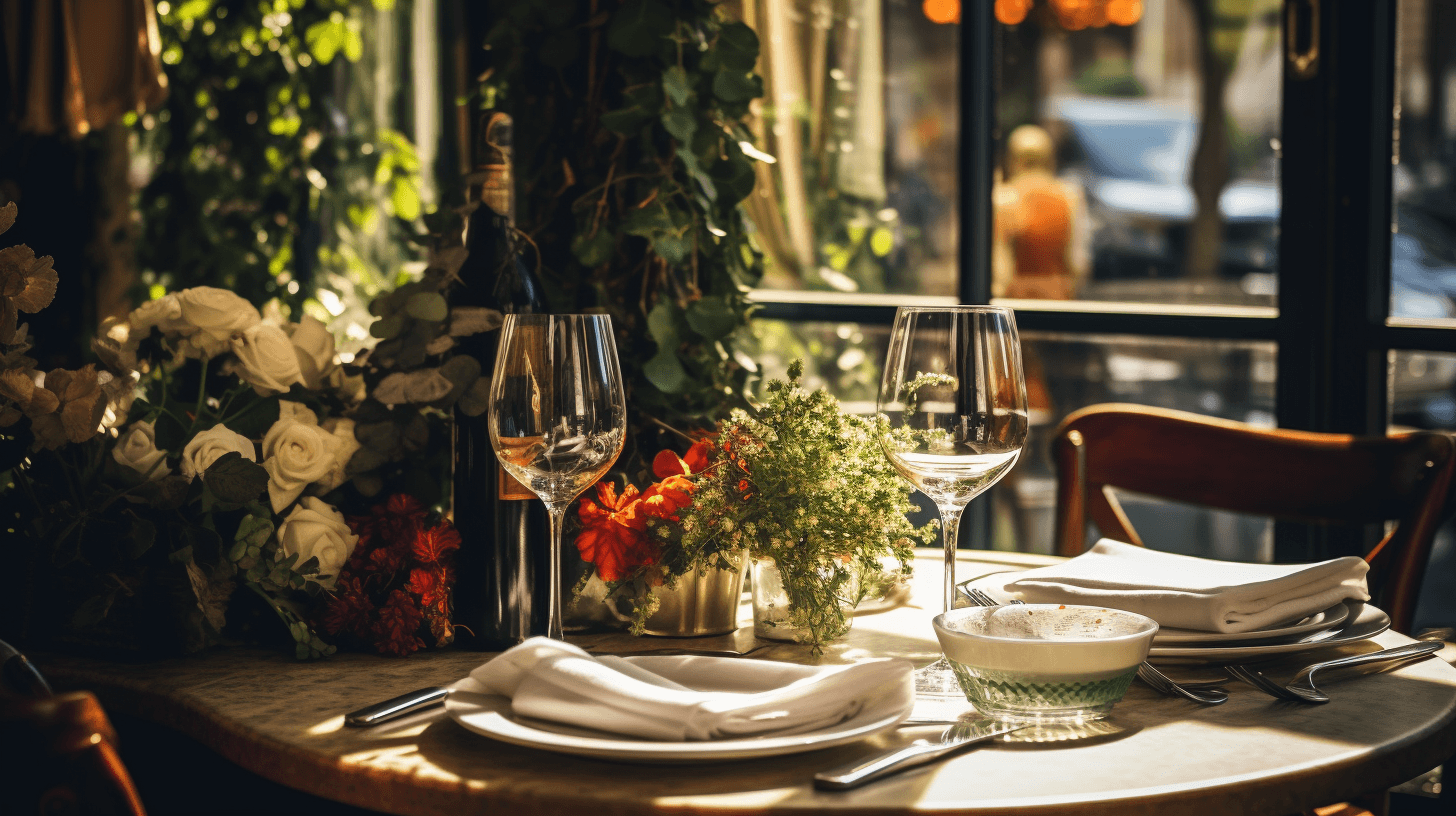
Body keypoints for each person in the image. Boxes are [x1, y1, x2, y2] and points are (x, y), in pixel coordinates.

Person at [992, 124, 1089, 301]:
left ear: (1013, 158)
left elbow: (1000, 268)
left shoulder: (1004, 198)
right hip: (1057, 296)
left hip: (1016, 299)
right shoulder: (1069, 196)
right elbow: (1077, 262)